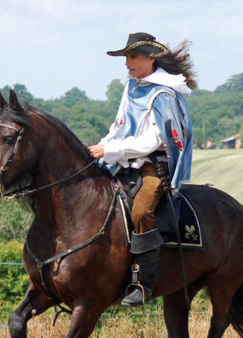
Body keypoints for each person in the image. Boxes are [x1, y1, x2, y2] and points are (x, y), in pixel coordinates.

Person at [88, 32, 196, 307]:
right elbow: (120, 127)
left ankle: (142, 282)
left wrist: (111, 151)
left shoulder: (163, 93)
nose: (127, 63)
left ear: (151, 58)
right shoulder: (134, 87)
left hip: (154, 166)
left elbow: (155, 140)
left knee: (141, 211)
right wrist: (97, 149)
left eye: (132, 57)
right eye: (126, 57)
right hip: (124, 160)